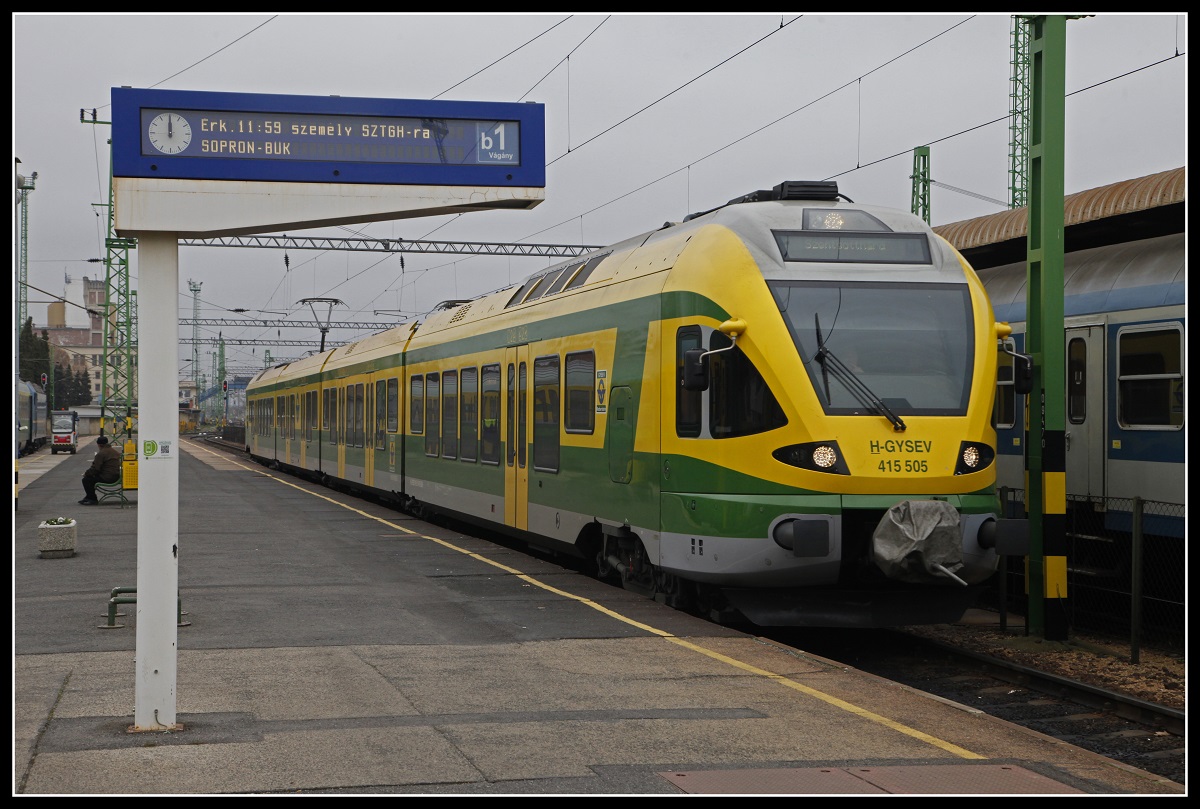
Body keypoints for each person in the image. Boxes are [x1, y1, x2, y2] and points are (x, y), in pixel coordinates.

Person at [80, 435, 121, 505]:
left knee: (86, 480)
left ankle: (92, 498)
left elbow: (96, 469)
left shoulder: (101, 454)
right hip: (116, 476)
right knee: (91, 478)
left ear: (98, 445)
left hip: (107, 477)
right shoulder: (114, 451)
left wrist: (86, 473)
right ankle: (88, 497)